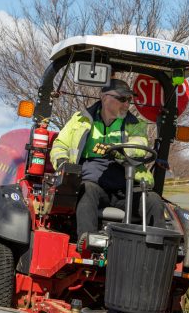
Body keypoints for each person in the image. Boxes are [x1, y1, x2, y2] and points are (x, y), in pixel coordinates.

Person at [49, 78, 165, 243]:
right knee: (86, 189)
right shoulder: (80, 120)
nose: (127, 104)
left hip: (127, 185)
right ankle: (88, 242)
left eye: (129, 100)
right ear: (104, 97)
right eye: (122, 99)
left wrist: (116, 150)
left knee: (153, 200)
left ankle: (157, 249)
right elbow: (60, 145)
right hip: (94, 184)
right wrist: (62, 163)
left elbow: (139, 146)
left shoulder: (135, 124)